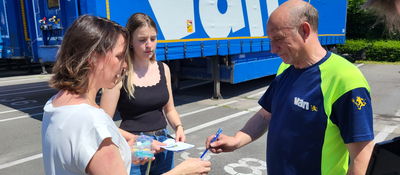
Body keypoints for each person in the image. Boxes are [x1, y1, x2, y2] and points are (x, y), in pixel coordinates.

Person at [205, 1, 375, 175]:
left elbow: (361, 156)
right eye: (270, 41)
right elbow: (265, 115)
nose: (273, 49)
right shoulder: (286, 68)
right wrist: (236, 140)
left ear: (305, 30)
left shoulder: (345, 79)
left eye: (278, 39)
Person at [41, 15, 210, 175]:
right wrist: (182, 171)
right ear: (93, 58)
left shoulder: (55, 105)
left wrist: (130, 149)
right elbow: (100, 138)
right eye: (119, 56)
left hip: (151, 144)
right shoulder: (92, 123)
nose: (124, 65)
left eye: (153, 38)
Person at [100, 13, 185, 175]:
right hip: (136, 142)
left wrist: (179, 127)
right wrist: (140, 141)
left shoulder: (163, 69)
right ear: (130, 41)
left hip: (164, 142)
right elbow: (104, 123)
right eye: (142, 40)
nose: (149, 45)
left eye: (153, 39)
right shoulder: (120, 73)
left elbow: (170, 109)